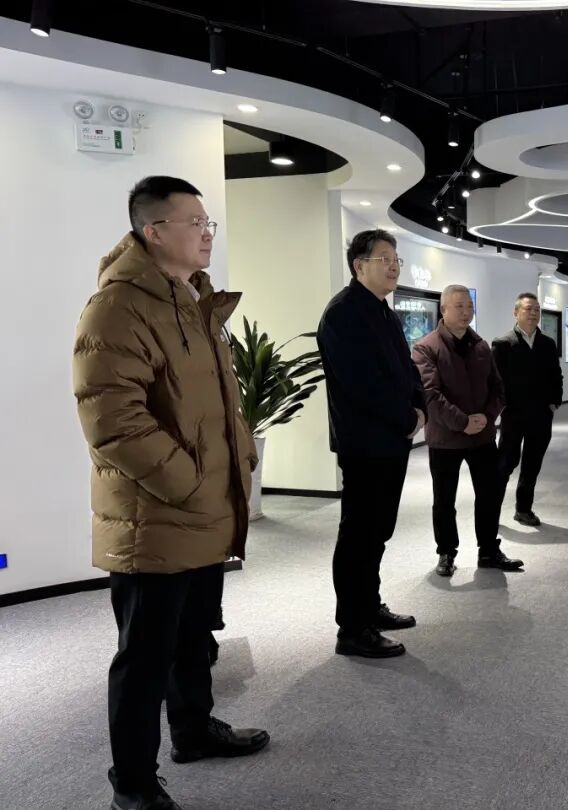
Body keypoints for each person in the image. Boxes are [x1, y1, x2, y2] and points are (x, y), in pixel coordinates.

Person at [72, 176, 269, 810]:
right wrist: (188, 482)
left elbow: (215, 405)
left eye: (210, 223)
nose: (208, 233)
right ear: (153, 231)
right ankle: (132, 785)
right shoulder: (118, 307)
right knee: (145, 657)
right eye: (195, 223)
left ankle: (193, 730)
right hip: (154, 515)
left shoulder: (193, 298)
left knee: (195, 637)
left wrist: (235, 462)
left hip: (203, 509)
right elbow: (112, 419)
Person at [317, 229, 426, 659]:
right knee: (359, 536)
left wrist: (419, 408)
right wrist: (407, 418)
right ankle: (352, 628)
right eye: (385, 258)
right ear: (359, 265)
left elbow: (408, 370)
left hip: (391, 441)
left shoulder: (384, 311)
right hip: (365, 444)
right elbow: (361, 385)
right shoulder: (343, 313)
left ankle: (369, 606)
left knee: (377, 532)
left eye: (396, 258)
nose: (394, 265)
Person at [413, 285, 525, 577]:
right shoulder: (426, 347)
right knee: (444, 500)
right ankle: (446, 552)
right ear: (443, 309)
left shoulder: (481, 346)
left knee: (489, 494)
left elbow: (498, 389)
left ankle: (488, 550)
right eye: (459, 306)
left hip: (482, 437)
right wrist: (463, 421)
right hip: (445, 438)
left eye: (469, 306)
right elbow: (430, 395)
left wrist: (486, 417)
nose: (466, 312)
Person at [492, 293, 564, 527]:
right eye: (528, 309)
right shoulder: (503, 344)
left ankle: (523, 509)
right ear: (516, 313)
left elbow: (556, 375)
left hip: (541, 415)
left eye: (536, 309)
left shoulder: (548, 344)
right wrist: (502, 406)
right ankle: (490, 510)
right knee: (505, 463)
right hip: (514, 415)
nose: (533, 313)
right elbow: (495, 380)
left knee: (532, 464)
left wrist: (555, 401)